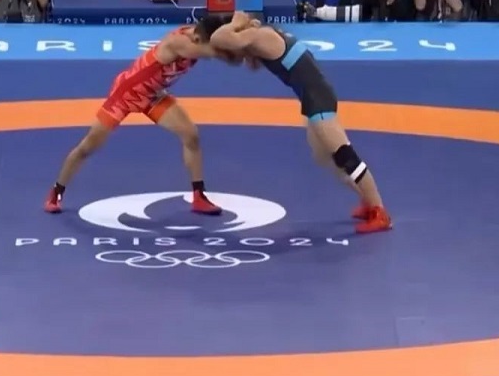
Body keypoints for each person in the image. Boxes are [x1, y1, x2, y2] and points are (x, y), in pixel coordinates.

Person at [193, 12, 392, 234]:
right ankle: (367, 199)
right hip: (313, 96)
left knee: (344, 155)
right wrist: (243, 41)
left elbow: (219, 38)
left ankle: (379, 211)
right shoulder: (260, 37)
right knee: (323, 156)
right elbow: (252, 64)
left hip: (318, 98)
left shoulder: (258, 36)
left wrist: (237, 21)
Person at [44, 25, 237, 215]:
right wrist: (245, 45)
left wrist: (242, 29)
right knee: (88, 146)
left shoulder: (200, 34)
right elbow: (216, 53)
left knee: (191, 135)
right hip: (126, 94)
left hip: (153, 94)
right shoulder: (178, 43)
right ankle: (56, 192)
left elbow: (226, 40)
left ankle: (199, 196)